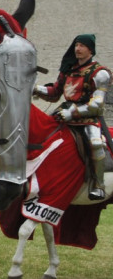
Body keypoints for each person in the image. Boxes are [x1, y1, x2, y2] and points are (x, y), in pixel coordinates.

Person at [34, 34, 111, 200]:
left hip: (87, 118)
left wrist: (72, 113)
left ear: (90, 49)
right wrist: (34, 88)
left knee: (96, 143)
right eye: (76, 45)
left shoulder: (99, 73)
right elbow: (55, 92)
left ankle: (98, 185)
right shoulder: (69, 69)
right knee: (41, 133)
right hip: (63, 114)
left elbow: (97, 105)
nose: (78, 49)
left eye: (82, 46)